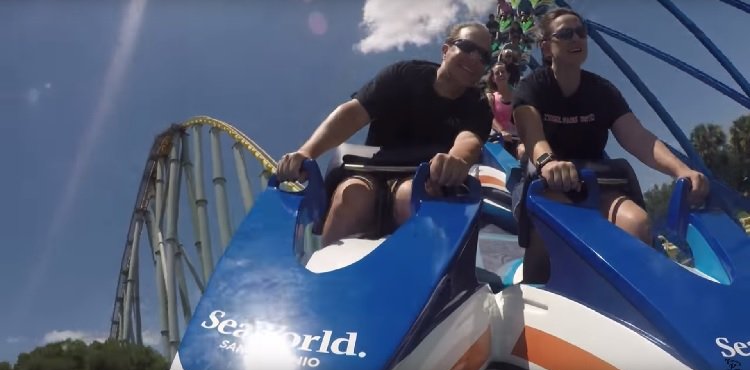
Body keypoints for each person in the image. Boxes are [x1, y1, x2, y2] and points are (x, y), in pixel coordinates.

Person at [511, 9, 710, 283]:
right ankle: (545, 283)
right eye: (566, 34)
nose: (576, 38)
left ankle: (638, 294)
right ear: (546, 47)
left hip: (595, 179)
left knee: (637, 223)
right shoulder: (531, 86)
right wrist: (548, 162)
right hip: (549, 181)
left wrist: (680, 170)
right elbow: (532, 135)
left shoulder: (602, 91)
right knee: (560, 222)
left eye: (581, 32)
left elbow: (638, 137)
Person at [277, 22, 494, 247]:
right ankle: (327, 274)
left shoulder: (478, 104)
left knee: (411, 199)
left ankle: (419, 275)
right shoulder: (404, 76)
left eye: (484, 57)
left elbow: (468, 140)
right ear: (446, 49)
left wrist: (457, 160)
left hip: (423, 178)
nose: (475, 59)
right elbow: (352, 115)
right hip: (373, 171)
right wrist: (306, 152)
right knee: (352, 197)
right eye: (467, 48)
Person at [485, 61, 524, 158]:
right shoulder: (492, 98)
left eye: (503, 72)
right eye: (497, 73)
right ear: (493, 78)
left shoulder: (519, 95)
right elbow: (490, 117)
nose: (500, 74)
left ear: (508, 75)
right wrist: (501, 131)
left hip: (517, 139)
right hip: (498, 139)